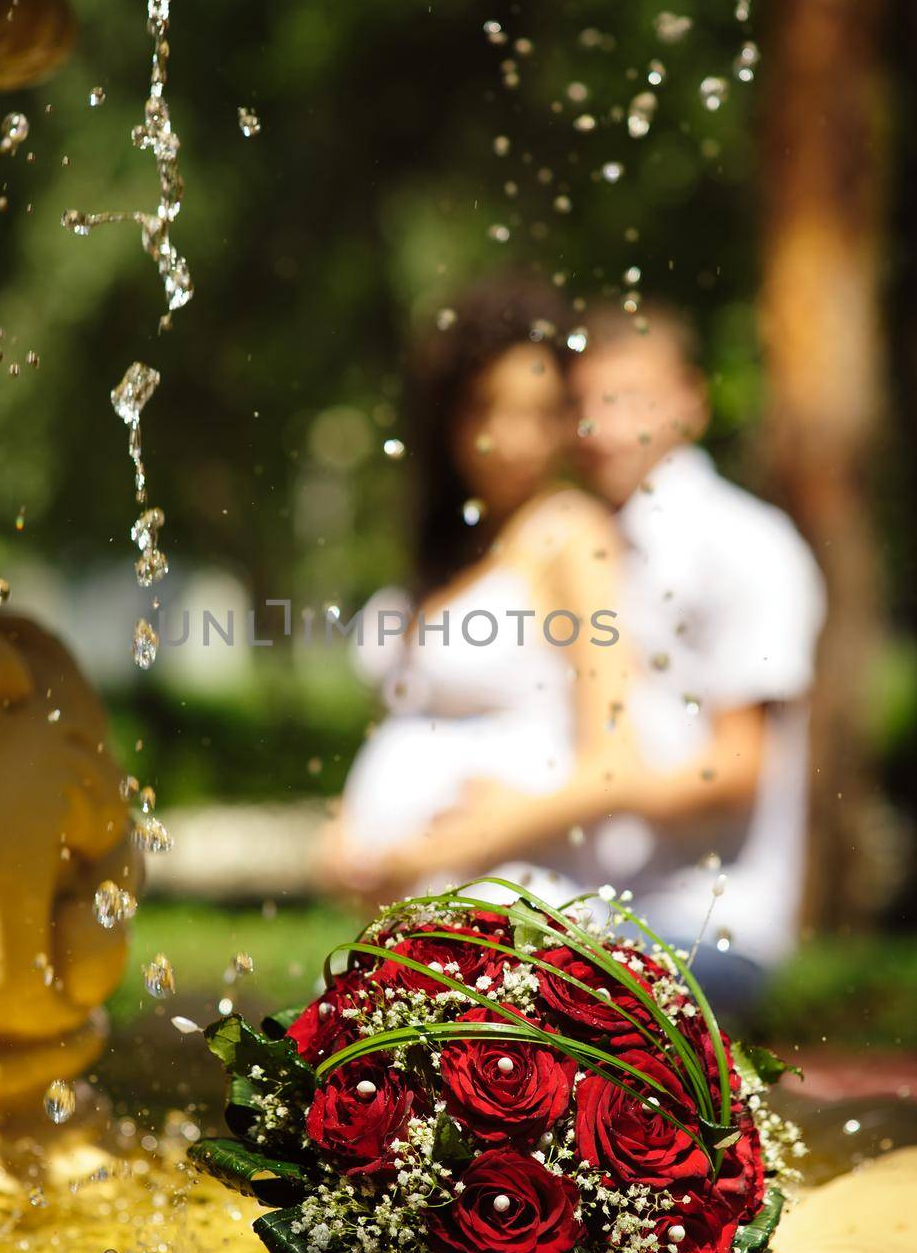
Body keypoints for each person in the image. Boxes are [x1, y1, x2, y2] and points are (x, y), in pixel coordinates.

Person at [331, 300, 825, 1015]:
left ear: (693, 400)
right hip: (595, 900)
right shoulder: (583, 537)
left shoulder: (739, 546)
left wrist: (509, 817)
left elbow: (735, 768)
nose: (604, 427)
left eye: (632, 401)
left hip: (695, 920)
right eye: (587, 404)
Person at [316, 276, 641, 904]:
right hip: (414, 914)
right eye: (486, 407)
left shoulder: (571, 535)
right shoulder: (449, 547)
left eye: (539, 413)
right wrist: (345, 832)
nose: (511, 439)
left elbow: (616, 765)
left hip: (513, 912)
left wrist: (442, 848)